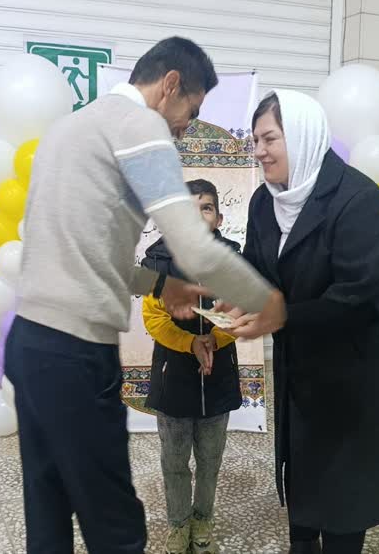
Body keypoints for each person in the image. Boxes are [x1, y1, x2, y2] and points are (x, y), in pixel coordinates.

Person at [4, 37, 286, 554]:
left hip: (29, 344)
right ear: (170, 85)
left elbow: (87, 251)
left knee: (47, 505)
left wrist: (159, 283)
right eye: (191, 111)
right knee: (115, 523)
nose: (186, 127)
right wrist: (266, 300)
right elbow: (194, 248)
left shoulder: (69, 129)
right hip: (75, 353)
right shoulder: (140, 126)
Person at [238, 90, 379, 554]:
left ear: (301, 135)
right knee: (301, 467)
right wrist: (230, 292)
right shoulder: (265, 202)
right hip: (299, 366)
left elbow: (358, 299)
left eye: (269, 138)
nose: (259, 151)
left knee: (344, 488)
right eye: (255, 140)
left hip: (354, 373)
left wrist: (280, 315)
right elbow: (257, 268)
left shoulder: (361, 201)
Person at [140, 179, 242, 554]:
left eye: (206, 208)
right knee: (174, 460)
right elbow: (154, 319)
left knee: (210, 459)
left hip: (218, 373)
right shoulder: (157, 263)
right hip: (174, 377)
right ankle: (179, 524)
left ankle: (203, 521)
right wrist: (190, 343)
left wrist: (214, 339)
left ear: (219, 219)